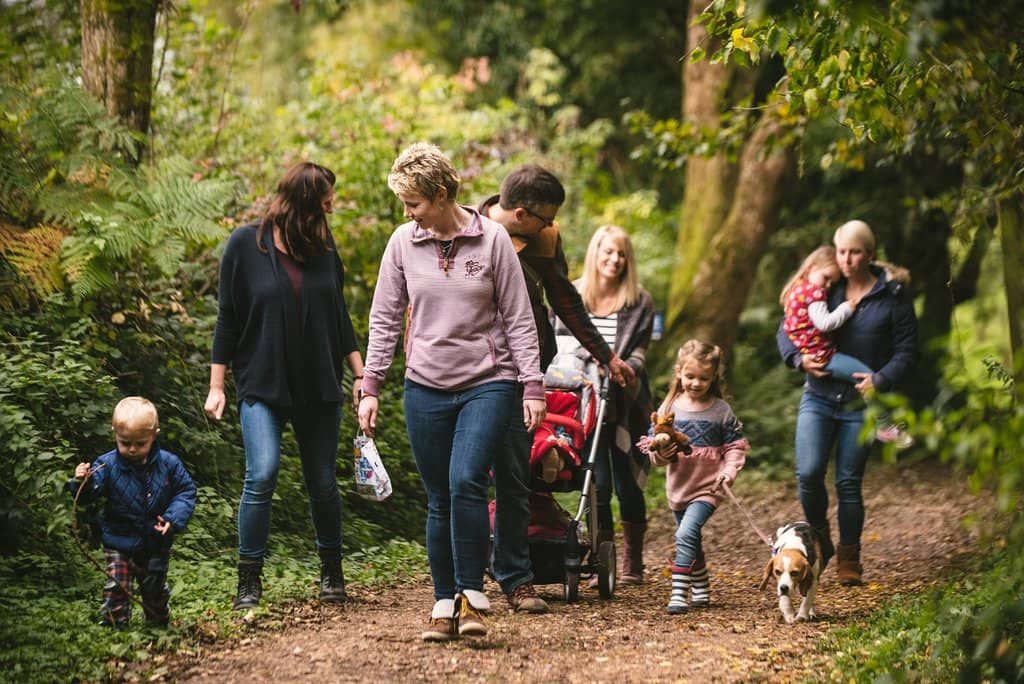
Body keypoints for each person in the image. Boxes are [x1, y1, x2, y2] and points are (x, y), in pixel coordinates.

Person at [358, 143, 545, 642]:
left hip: (488, 381)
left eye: (414, 203)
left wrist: (532, 384)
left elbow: (519, 317)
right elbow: (384, 317)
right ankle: (444, 603)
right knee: (439, 496)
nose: (407, 213)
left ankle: (470, 598)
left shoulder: (493, 240)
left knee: (466, 480)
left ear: (440, 195)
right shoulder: (403, 242)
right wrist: (371, 385)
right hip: (424, 386)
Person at [204, 161, 364, 610]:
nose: (333, 204)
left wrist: (360, 375)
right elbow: (228, 318)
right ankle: (249, 581)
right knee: (263, 473)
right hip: (262, 381)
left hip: (317, 383)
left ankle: (332, 571)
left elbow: (338, 317)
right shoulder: (245, 244)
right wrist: (217, 386)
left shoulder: (324, 247)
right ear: (308, 200)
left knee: (322, 481)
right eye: (328, 197)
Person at [479, 164, 636, 613]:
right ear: (522, 213)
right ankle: (467, 576)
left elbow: (564, 298)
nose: (553, 226)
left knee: (515, 471)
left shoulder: (544, 240)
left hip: (527, 369)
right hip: (475, 369)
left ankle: (518, 574)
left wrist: (606, 356)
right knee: (473, 476)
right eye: (547, 218)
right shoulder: (469, 231)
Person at [776, 219, 918, 586]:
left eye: (855, 252)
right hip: (819, 397)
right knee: (807, 474)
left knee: (848, 482)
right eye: (842, 252)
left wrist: (880, 379)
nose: (847, 259)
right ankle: (821, 541)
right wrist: (798, 359)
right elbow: (786, 328)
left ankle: (849, 558)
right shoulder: (828, 284)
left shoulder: (893, 296)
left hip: (860, 406)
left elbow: (906, 351)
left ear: (870, 255)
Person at [555, 225, 655, 585]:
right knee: (596, 482)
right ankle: (602, 558)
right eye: (608, 252)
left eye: (622, 254)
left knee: (628, 483)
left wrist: (624, 369)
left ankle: (633, 561)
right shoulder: (572, 295)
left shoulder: (638, 301)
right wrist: (592, 360)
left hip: (625, 402)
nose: (615, 260)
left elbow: (641, 351)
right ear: (595, 253)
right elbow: (560, 344)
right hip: (584, 403)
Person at [68, 397, 197, 628]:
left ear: (154, 435)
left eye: (140, 443)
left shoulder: (169, 464)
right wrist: (82, 481)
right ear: (115, 434)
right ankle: (115, 626)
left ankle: (157, 625)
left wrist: (172, 518)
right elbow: (89, 495)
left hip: (155, 541)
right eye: (125, 442)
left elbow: (186, 491)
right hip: (118, 539)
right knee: (118, 584)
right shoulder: (106, 465)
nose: (132, 449)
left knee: (154, 587)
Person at [642, 340, 747, 615]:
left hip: (709, 486)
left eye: (704, 378)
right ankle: (702, 584)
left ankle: (679, 592)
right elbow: (655, 450)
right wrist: (662, 452)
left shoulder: (721, 410)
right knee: (692, 538)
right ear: (678, 372)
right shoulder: (668, 408)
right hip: (678, 486)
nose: (696, 383)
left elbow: (734, 447)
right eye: (690, 376)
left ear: (714, 378)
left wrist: (728, 472)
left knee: (686, 533)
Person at [780, 245, 911, 447]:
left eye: (832, 281)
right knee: (867, 376)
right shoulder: (814, 294)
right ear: (811, 268)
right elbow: (825, 323)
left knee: (869, 380)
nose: (828, 286)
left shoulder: (796, 289)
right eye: (826, 278)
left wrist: (800, 354)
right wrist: (846, 308)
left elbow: (788, 326)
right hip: (823, 356)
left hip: (814, 355)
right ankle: (884, 426)